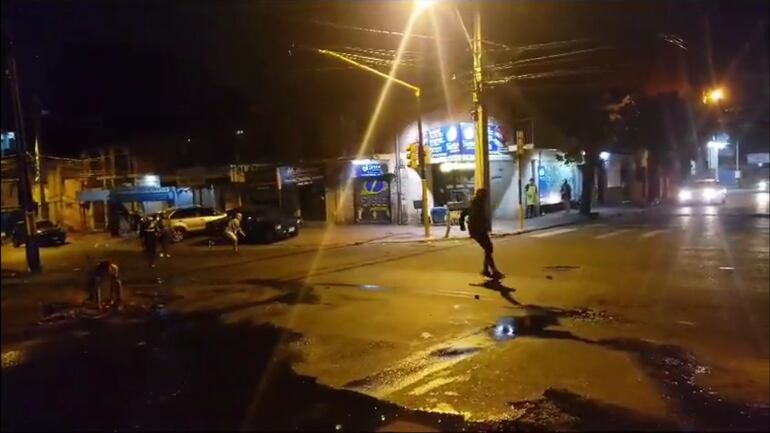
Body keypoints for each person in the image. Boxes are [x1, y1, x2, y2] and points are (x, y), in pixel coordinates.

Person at [460, 189, 503, 279]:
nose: (486, 197)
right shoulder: (477, 204)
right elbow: (472, 216)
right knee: (488, 248)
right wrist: (464, 225)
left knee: (488, 248)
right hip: (477, 231)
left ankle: (486, 270)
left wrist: (462, 225)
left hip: (478, 230)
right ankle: (492, 271)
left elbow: (464, 213)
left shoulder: (477, 203)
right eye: (485, 195)